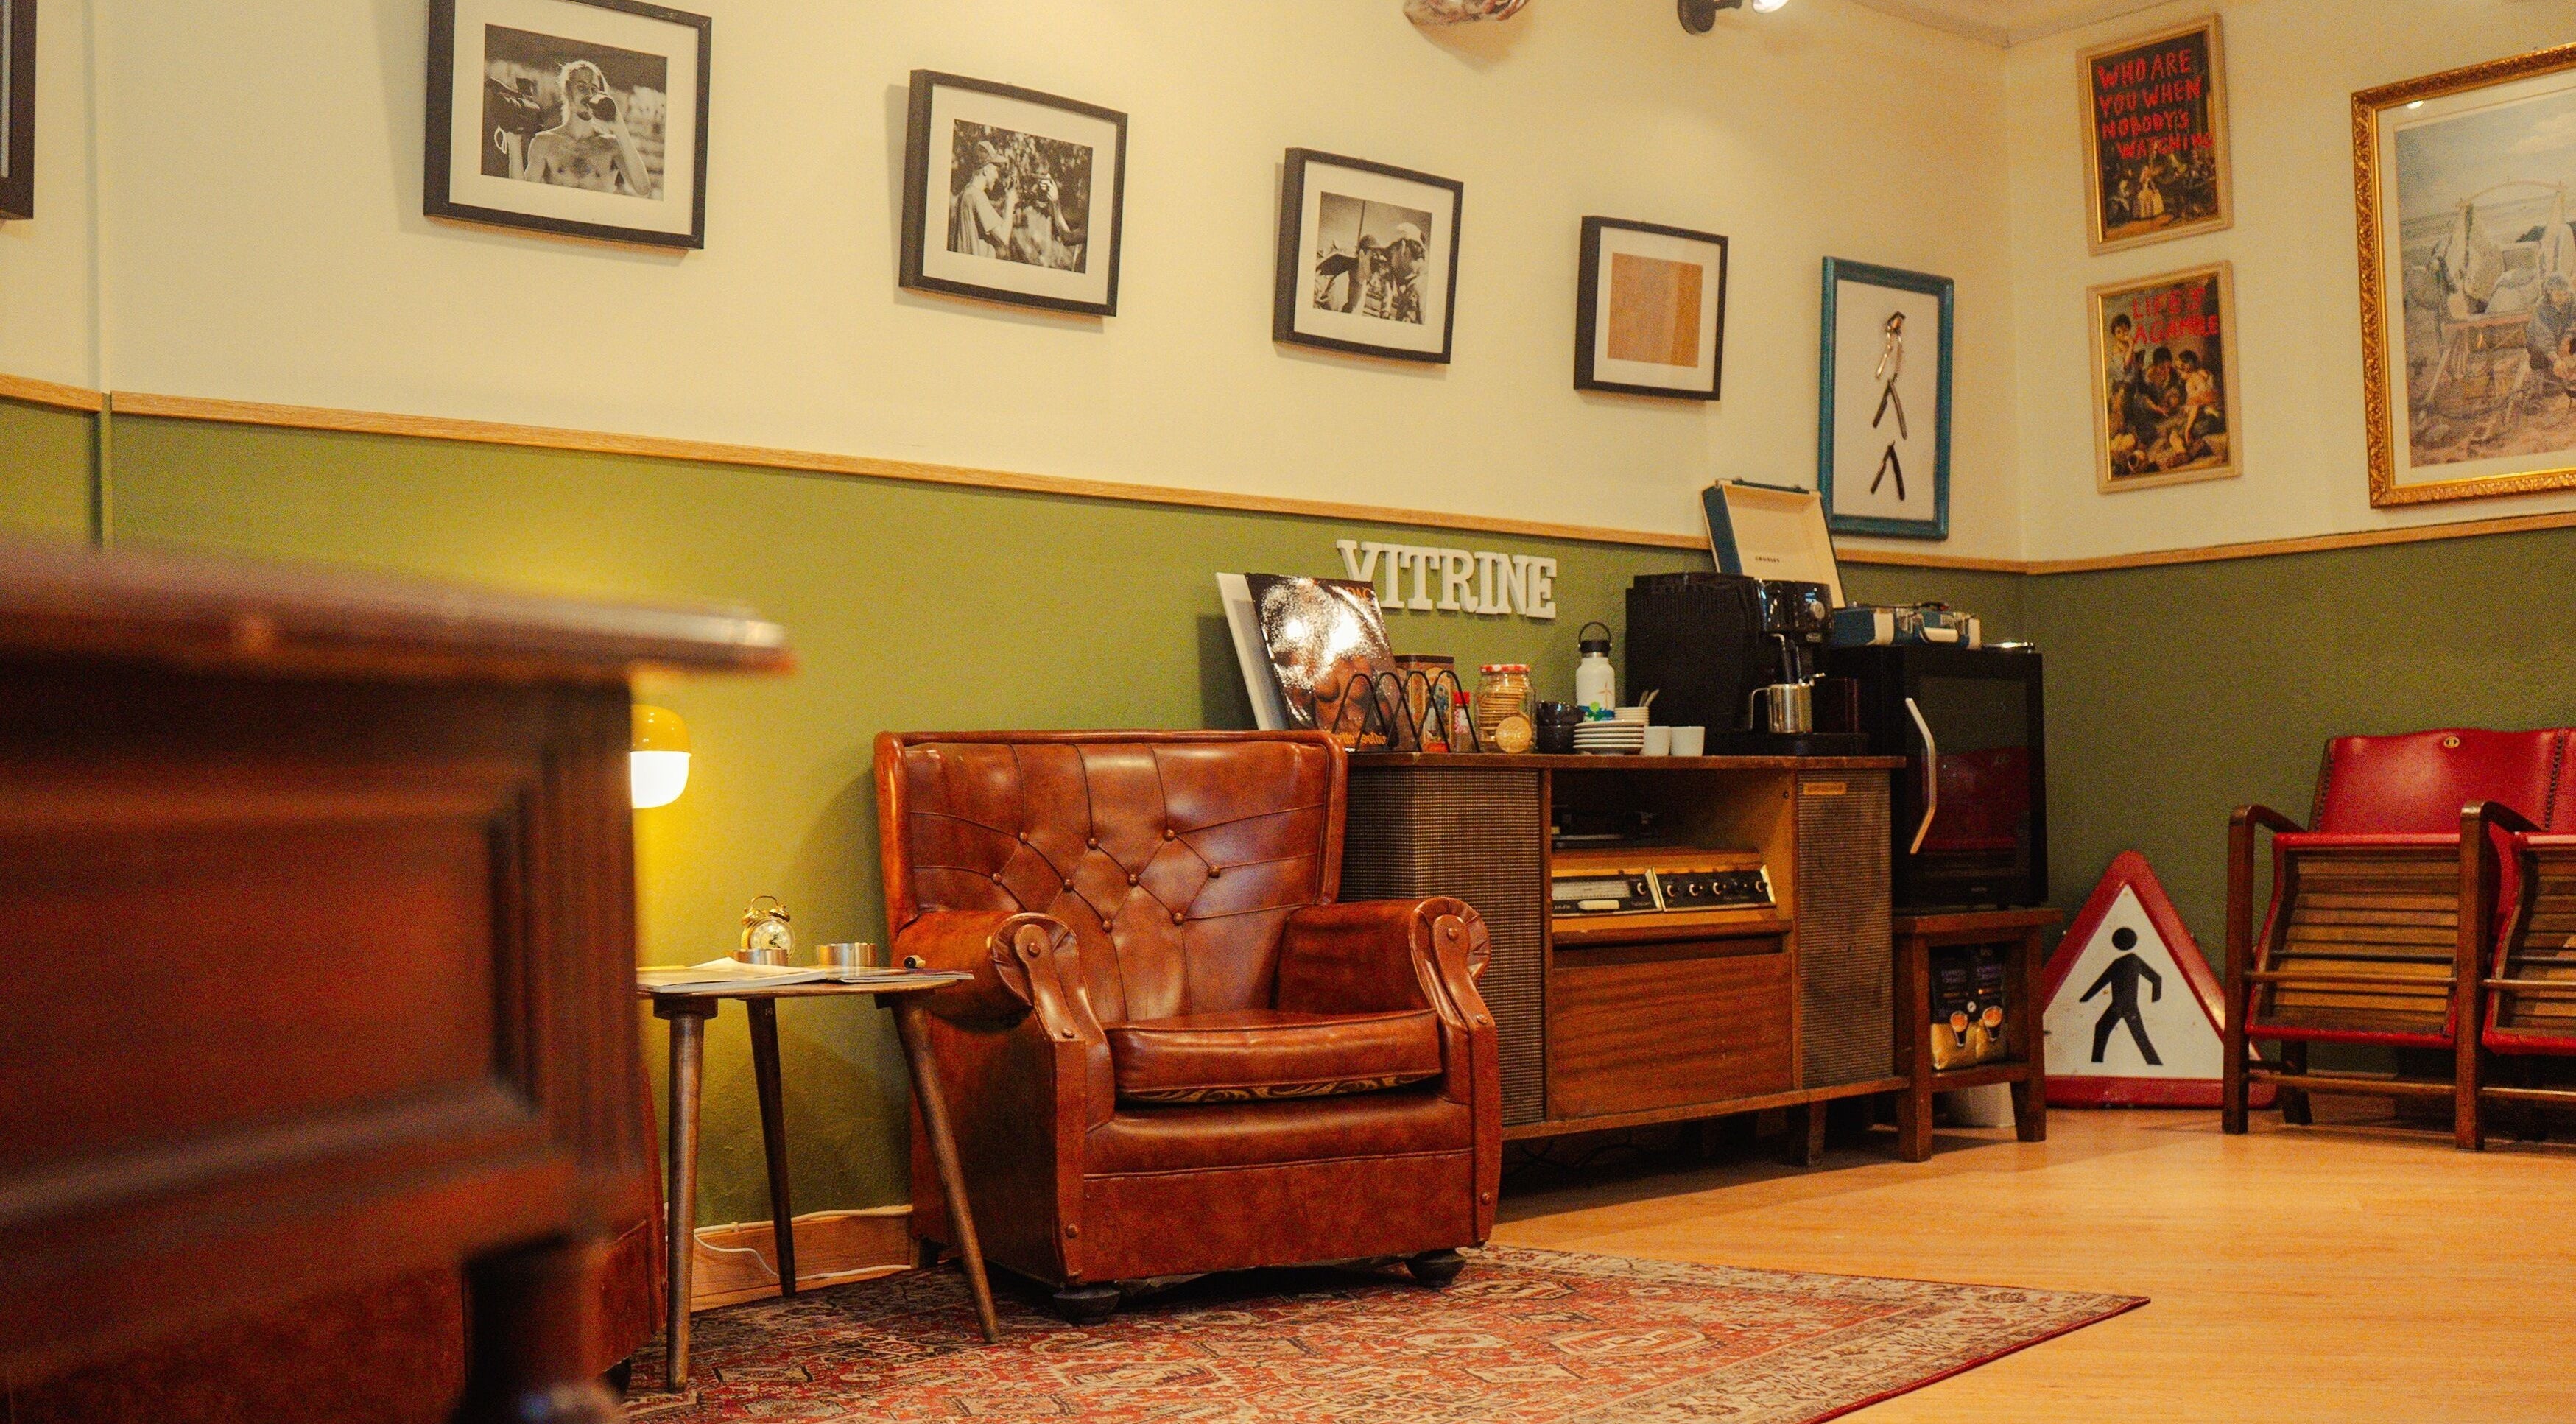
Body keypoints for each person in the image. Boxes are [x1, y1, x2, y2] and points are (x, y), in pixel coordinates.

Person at [523, 59, 650, 195]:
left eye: (594, 90)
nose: (589, 95)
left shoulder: (612, 145)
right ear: (567, 90)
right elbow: (527, 195)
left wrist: (620, 129)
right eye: (581, 87)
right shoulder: (544, 142)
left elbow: (643, 189)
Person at [2080, 927, 2165, 1065]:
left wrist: (2155, 1000)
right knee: (2105, 1029)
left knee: (2138, 1037)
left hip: (2125, 1005)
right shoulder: (2127, 961)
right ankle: (2096, 1064)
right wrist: (2084, 998)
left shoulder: (2129, 961)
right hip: (2119, 1005)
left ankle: (2154, 1063)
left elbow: (2156, 978)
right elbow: (2102, 982)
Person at [949, 142, 1010, 259]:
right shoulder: (978, 196)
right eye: (995, 170)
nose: (997, 176)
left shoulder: (966, 193)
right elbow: (1004, 238)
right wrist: (1010, 202)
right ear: (986, 170)